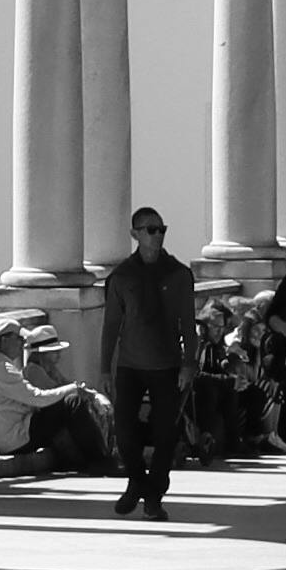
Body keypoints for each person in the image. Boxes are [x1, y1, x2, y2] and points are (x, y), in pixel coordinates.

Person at [94, 202, 196, 512]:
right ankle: (137, 480)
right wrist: (104, 369)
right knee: (124, 432)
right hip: (130, 365)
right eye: (151, 230)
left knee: (166, 435)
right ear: (135, 234)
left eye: (161, 230)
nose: (157, 235)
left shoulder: (179, 274)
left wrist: (189, 363)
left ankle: (154, 496)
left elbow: (188, 323)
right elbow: (111, 325)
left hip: (167, 364)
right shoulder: (122, 276)